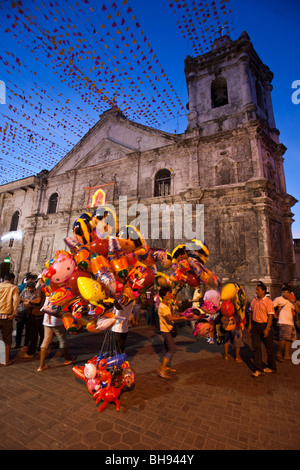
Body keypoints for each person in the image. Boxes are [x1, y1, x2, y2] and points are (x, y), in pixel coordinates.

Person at [156, 286, 189, 379]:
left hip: (168, 329)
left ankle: (164, 367)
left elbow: (170, 316)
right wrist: (181, 318)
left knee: (166, 349)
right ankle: (161, 370)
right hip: (165, 330)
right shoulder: (163, 306)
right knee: (172, 349)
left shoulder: (167, 304)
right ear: (164, 296)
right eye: (168, 294)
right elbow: (169, 318)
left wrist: (180, 314)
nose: (170, 295)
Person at [248, 281, 276, 377]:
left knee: (269, 349)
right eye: (256, 289)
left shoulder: (268, 302)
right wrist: (250, 325)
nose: (256, 291)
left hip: (265, 326)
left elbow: (270, 316)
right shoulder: (254, 300)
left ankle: (272, 367)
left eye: (258, 290)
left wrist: (267, 328)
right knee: (256, 347)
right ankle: (258, 369)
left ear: (263, 291)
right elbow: (251, 312)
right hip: (255, 326)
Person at [37, 297, 73, 372]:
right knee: (62, 339)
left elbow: (44, 307)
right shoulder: (61, 296)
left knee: (46, 340)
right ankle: (67, 359)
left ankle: (41, 366)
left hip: (46, 321)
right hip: (57, 321)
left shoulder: (48, 296)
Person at [22, 277, 45, 358]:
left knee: (33, 334)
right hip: (42, 314)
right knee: (42, 334)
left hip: (35, 314)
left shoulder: (39, 288)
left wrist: (29, 301)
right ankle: (39, 349)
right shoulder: (46, 288)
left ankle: (31, 352)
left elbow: (38, 301)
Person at [273, 284, 297, 362]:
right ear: (282, 292)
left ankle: (287, 355)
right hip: (283, 322)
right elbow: (271, 306)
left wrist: (295, 302)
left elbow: (297, 311)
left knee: (289, 339)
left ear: (290, 294)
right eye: (285, 292)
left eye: (288, 292)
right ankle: (278, 354)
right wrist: (274, 315)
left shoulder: (291, 302)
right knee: (284, 339)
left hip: (291, 323)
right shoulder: (278, 299)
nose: (286, 294)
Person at [0, 272, 20, 365]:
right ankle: (5, 360)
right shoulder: (13, 288)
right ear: (12, 279)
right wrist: (14, 313)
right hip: (6, 316)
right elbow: (16, 301)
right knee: (7, 338)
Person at [14, 280, 36, 349]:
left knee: (28, 329)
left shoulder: (36, 292)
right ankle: (18, 343)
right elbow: (20, 299)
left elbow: (36, 301)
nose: (30, 289)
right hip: (22, 313)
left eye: (31, 288)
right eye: (28, 288)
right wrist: (23, 301)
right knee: (19, 328)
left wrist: (30, 303)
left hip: (30, 313)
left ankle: (26, 344)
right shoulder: (24, 291)